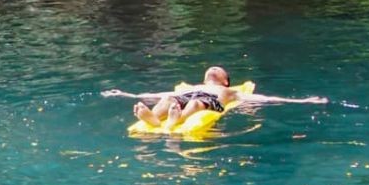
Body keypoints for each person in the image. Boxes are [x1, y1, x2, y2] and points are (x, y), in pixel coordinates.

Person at [101, 65, 328, 131]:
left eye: (217, 69)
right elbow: (158, 93)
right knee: (169, 99)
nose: (212, 69)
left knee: (196, 103)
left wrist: (303, 102)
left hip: (207, 101)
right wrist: (125, 94)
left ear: (225, 81)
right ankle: (155, 118)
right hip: (184, 96)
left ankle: (175, 121)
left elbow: (264, 98)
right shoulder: (192, 85)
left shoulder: (229, 92)